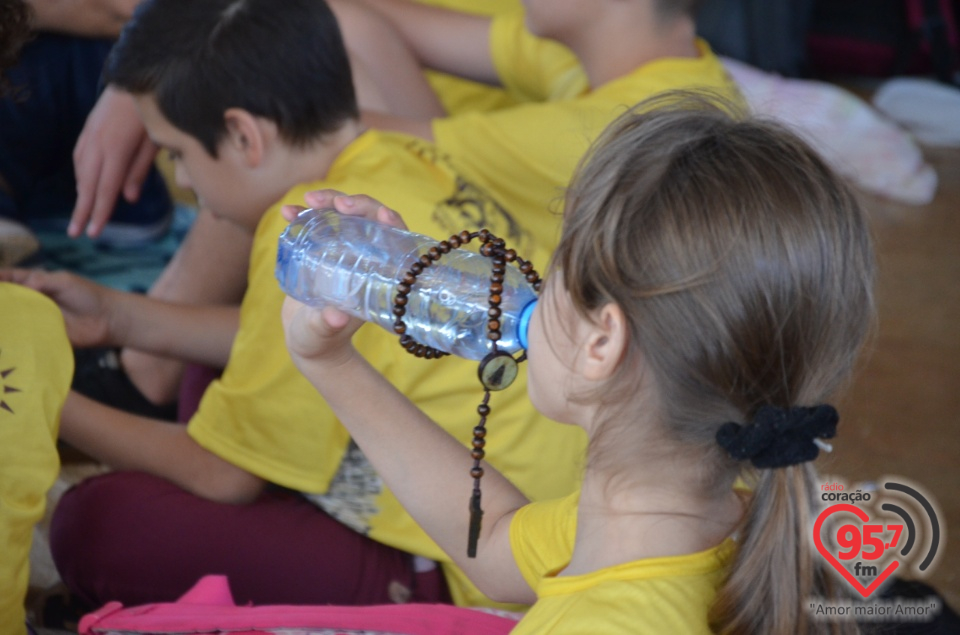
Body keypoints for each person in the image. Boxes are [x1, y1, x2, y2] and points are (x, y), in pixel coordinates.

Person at [3, 0, 586, 611]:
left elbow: (223, 478)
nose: (188, 184)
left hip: (480, 561)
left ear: (244, 136)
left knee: (98, 522)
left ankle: (404, 587)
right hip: (555, 507)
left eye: (176, 154)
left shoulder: (316, 226)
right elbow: (307, 335)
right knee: (218, 379)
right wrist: (119, 315)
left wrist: (37, 391)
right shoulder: (401, 145)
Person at [281, 94, 877, 634]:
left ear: (601, 343)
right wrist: (331, 362)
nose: (530, 282)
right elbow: (493, 545)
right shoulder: (710, 518)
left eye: (556, 261)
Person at [71, 0, 738, 420]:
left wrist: (167, 88)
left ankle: (141, 365)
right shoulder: (613, 57)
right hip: (534, 317)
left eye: (176, 159)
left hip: (550, 357)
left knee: (276, 171)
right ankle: (145, 350)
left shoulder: (626, 125)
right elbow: (352, 19)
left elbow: (309, 133)